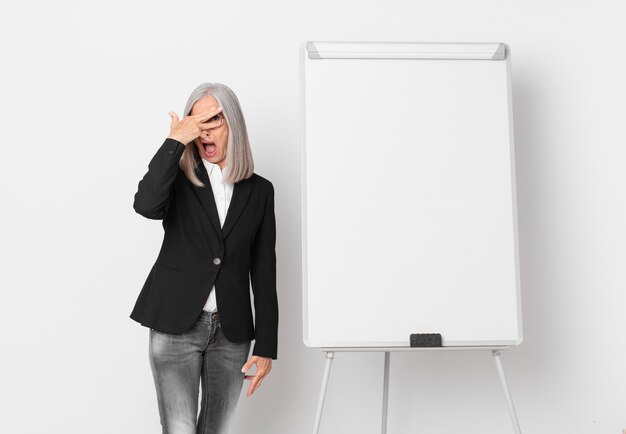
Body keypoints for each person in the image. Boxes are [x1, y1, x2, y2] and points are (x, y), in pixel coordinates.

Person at [129, 82, 278, 434]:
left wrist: (267, 345)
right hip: (176, 325)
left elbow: (264, 269)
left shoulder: (259, 191)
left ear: (234, 126)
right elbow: (145, 204)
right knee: (179, 429)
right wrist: (175, 142)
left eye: (215, 120)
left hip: (232, 333)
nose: (205, 131)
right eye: (198, 122)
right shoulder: (178, 181)